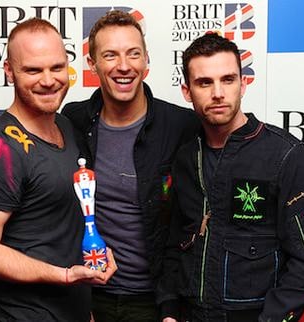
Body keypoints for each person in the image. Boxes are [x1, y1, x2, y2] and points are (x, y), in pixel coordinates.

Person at [156, 33, 304, 322]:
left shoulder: (284, 155)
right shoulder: (186, 157)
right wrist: (169, 310)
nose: (218, 93)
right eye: (204, 82)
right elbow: (175, 243)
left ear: (243, 83)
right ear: (187, 91)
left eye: (227, 79)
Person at [0, 18, 117, 322]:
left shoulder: (64, 125)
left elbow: (57, 225)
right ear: (9, 71)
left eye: (56, 67)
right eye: (33, 70)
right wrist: (64, 276)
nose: (48, 81)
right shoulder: (0, 151)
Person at [61, 10, 200, 322]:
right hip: (87, 295)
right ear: (91, 63)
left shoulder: (181, 125)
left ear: (146, 60)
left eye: (133, 54)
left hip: (156, 301)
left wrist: (173, 307)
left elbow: (194, 220)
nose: (123, 66)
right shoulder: (73, 120)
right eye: (110, 55)